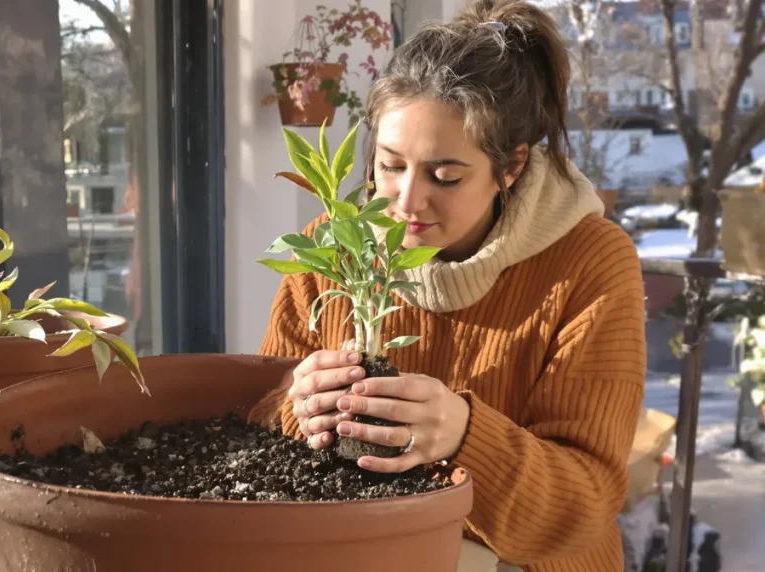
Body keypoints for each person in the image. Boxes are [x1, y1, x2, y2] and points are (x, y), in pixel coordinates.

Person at [248, 0, 646, 570]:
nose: (408, 201)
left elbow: (584, 505)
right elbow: (255, 433)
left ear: (509, 168)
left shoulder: (588, 264)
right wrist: (296, 408)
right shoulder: (331, 249)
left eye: (446, 176)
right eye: (390, 166)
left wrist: (464, 435)